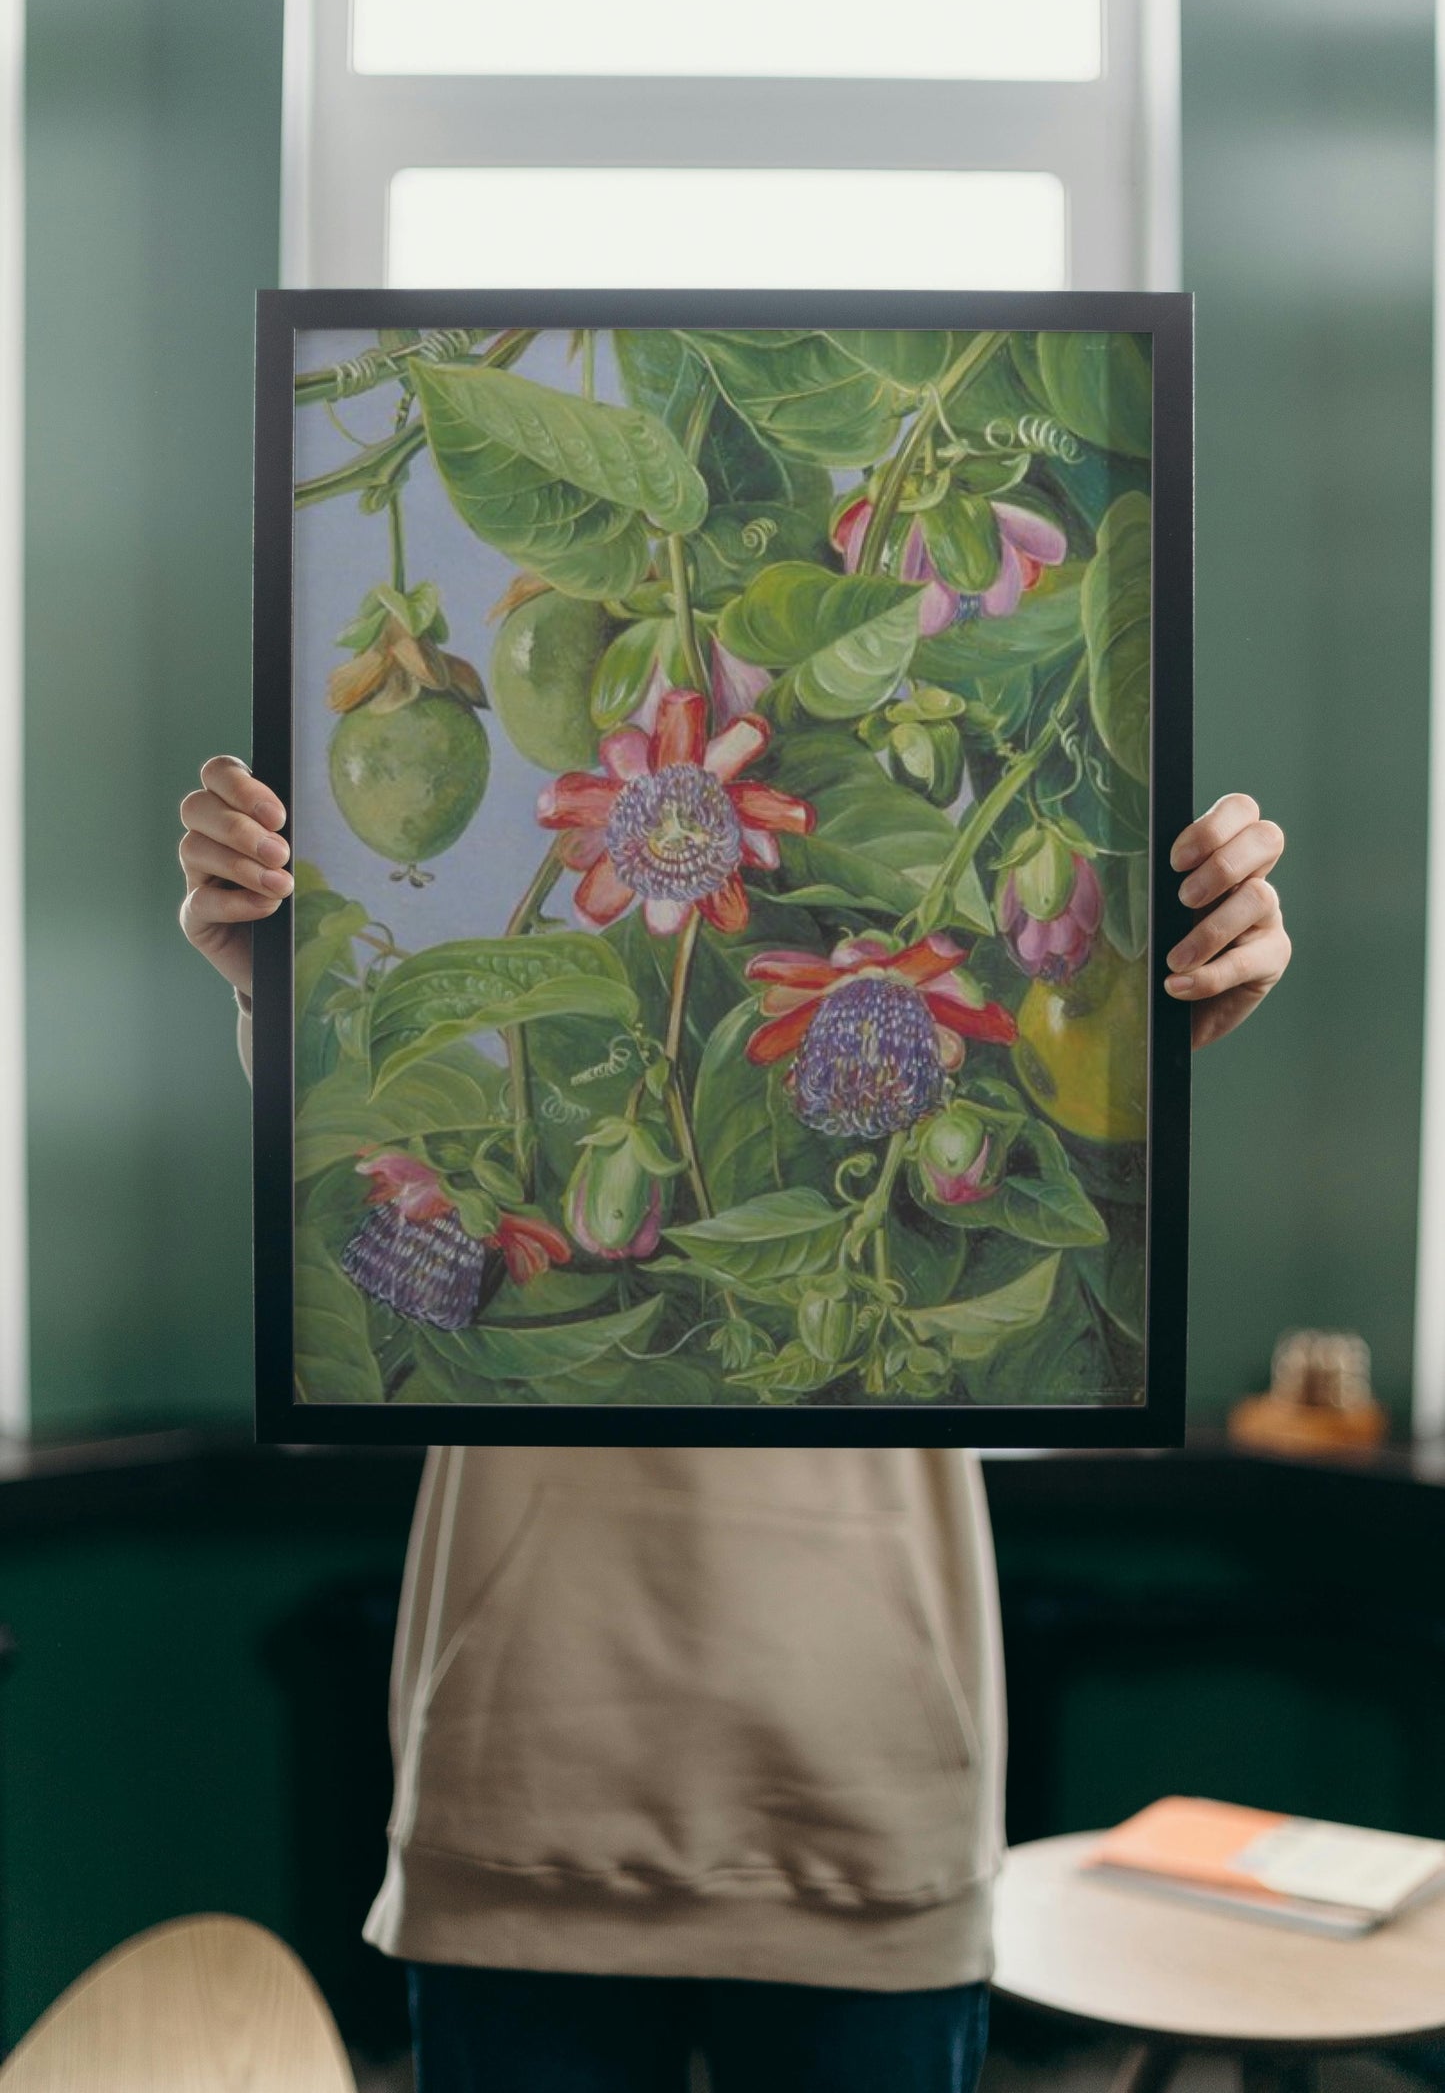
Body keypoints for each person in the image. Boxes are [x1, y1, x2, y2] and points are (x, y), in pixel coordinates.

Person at [179, 759, 1290, 2093]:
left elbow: (1053, 1247)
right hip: (536, 1775)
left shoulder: (953, 935)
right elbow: (397, 1284)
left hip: (862, 1786)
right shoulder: (515, 1069)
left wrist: (1143, 1038)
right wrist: (280, 994)